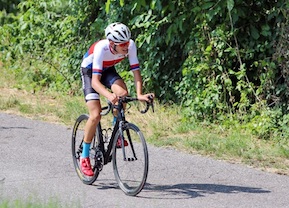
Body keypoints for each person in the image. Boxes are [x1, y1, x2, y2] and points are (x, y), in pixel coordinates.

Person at [79, 22, 154, 176]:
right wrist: (108, 95)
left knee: (122, 94)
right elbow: (95, 82)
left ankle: (117, 132)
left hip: (108, 70)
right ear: (112, 44)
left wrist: (140, 94)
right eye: (123, 44)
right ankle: (84, 156)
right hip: (90, 72)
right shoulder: (101, 48)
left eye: (128, 42)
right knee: (95, 114)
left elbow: (136, 71)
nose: (127, 47)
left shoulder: (130, 45)